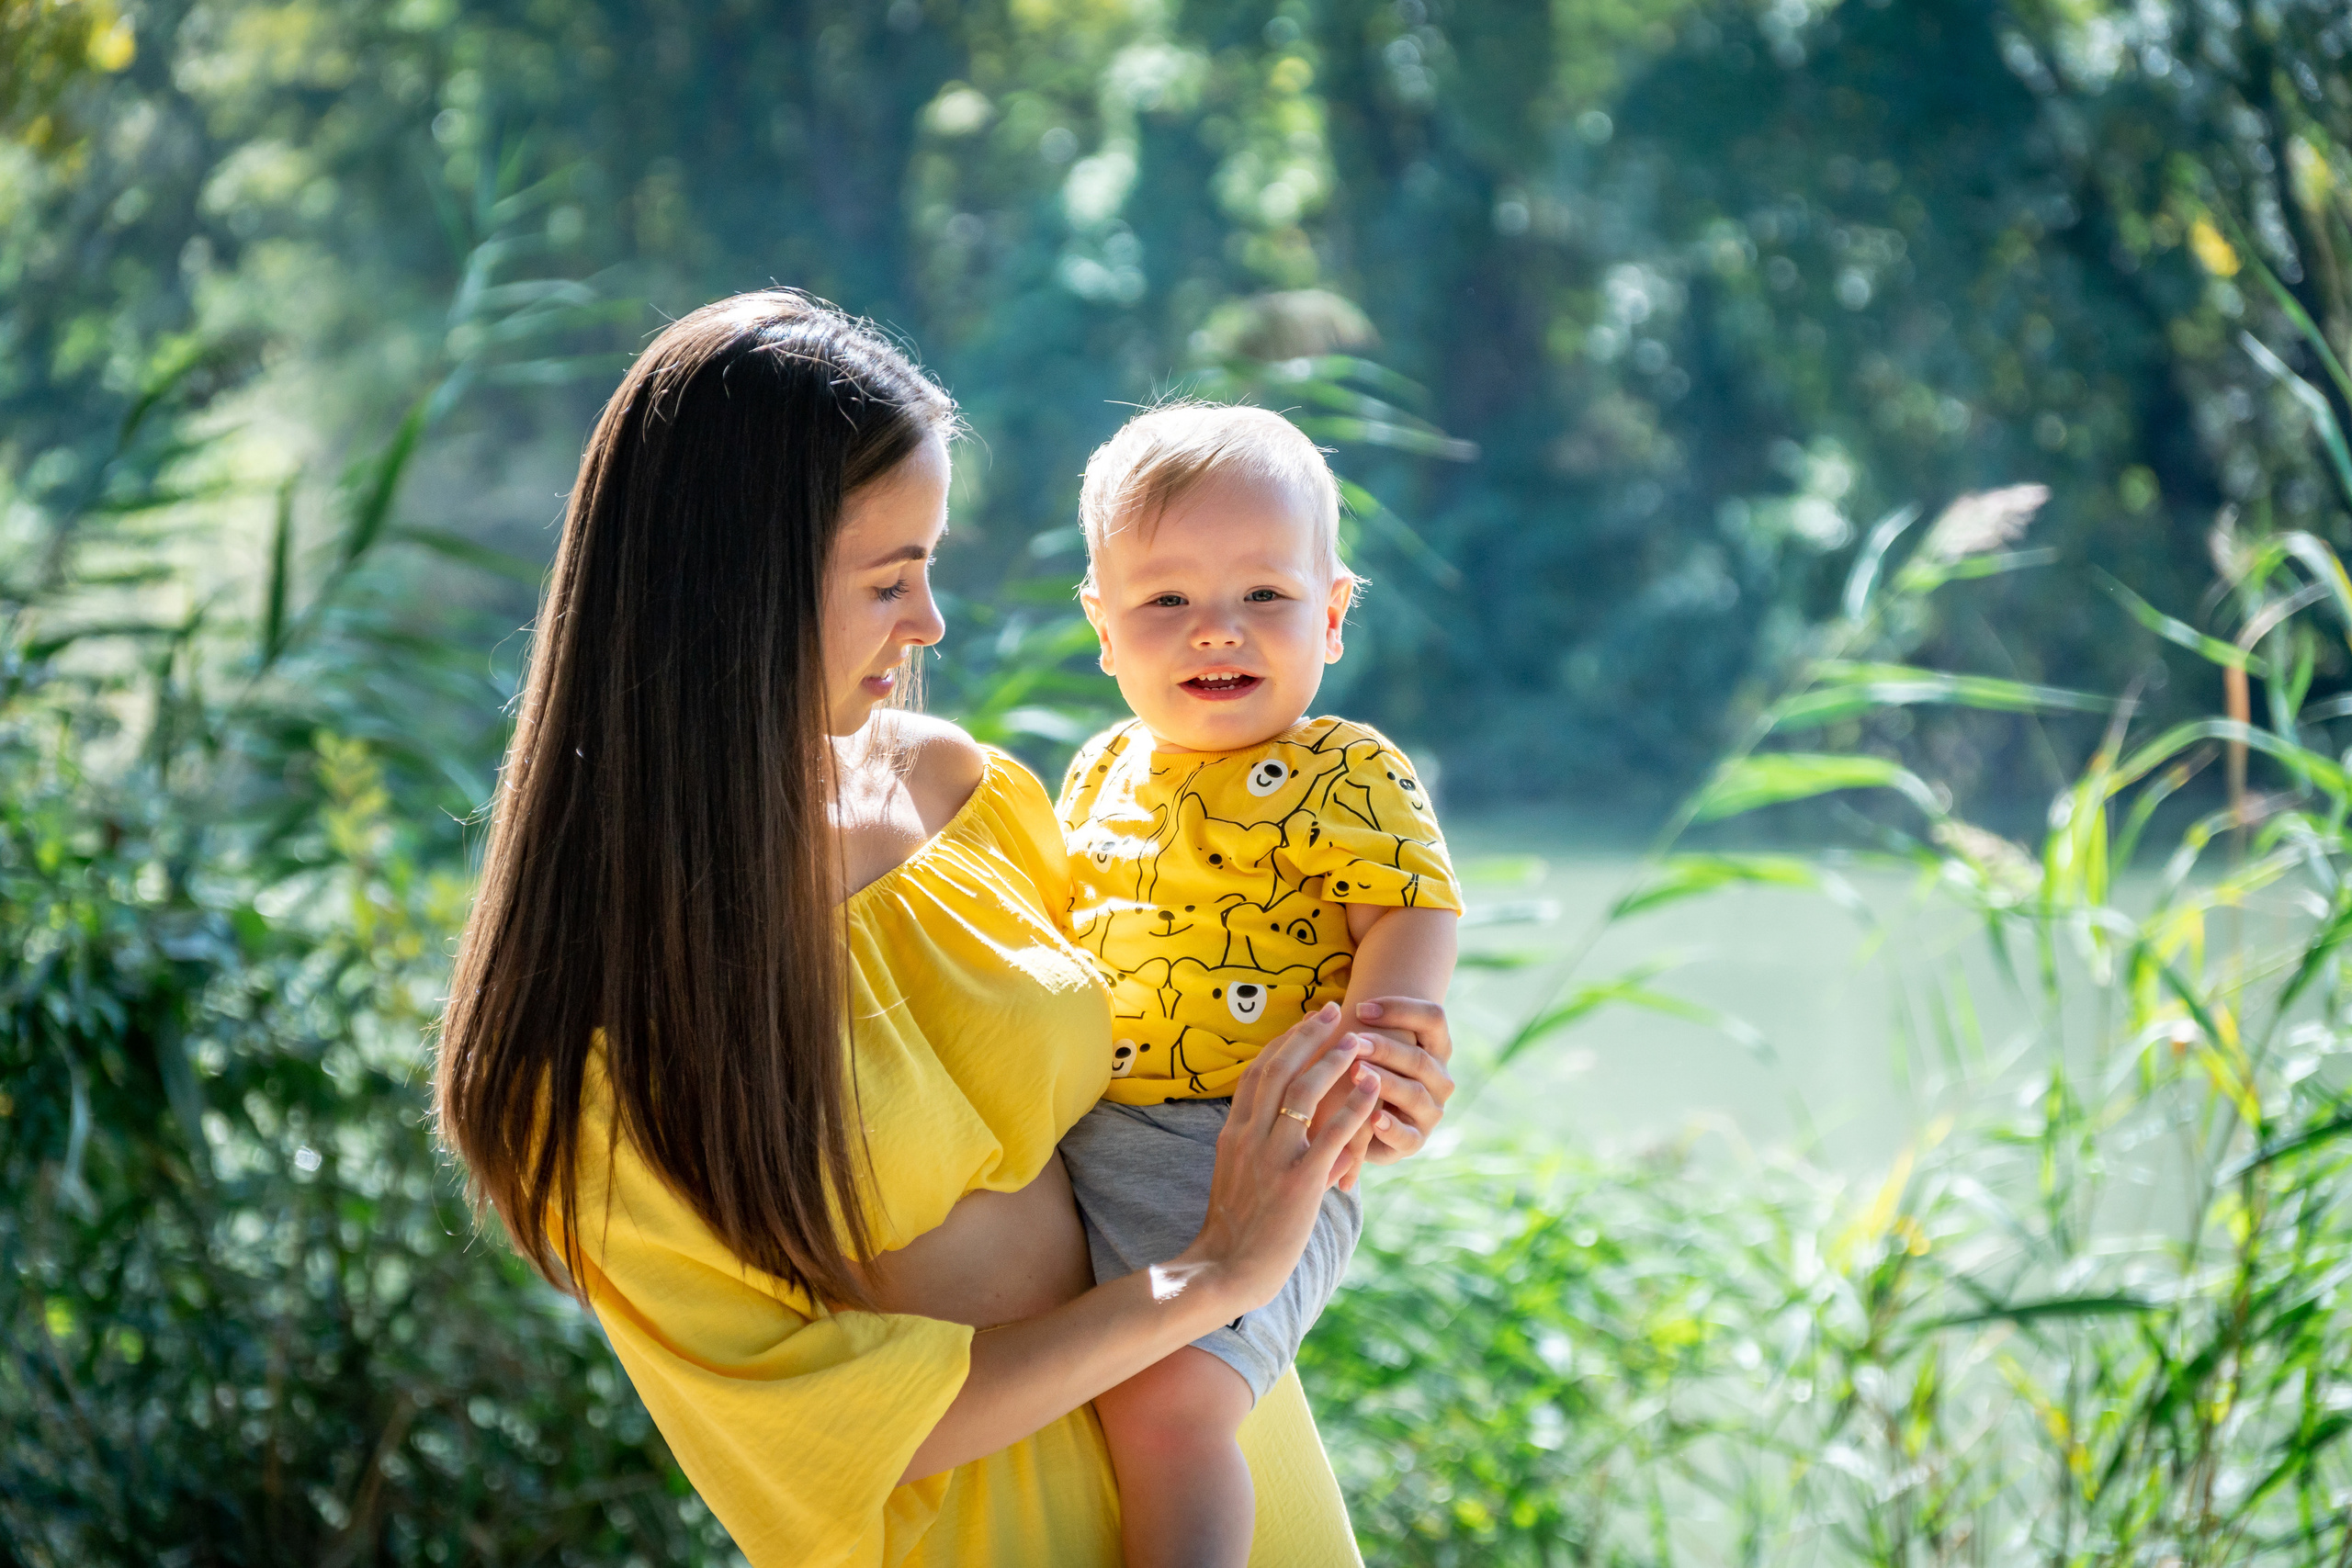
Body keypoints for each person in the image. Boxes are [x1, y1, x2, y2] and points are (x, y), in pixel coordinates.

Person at [431, 291, 1461, 1565]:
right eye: (888, 580)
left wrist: (1370, 1081)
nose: (928, 623)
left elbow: (1186, 1024)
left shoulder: (964, 796)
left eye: (930, 567)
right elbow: (823, 1435)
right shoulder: (593, 1050)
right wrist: (1207, 1277)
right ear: (733, 595)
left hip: (1228, 1466)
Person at [1053, 404, 1462, 1567]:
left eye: (1263, 594)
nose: (1213, 629)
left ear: (1330, 613)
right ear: (1103, 628)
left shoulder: (1345, 770)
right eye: (1165, 601)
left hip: (1251, 1146)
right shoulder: (1097, 770)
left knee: (1165, 1405)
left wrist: (1375, 1070)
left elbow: (1409, 909)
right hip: (1090, 1135)